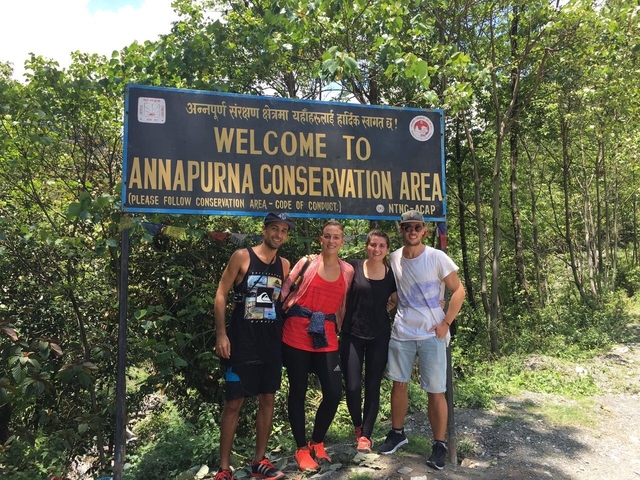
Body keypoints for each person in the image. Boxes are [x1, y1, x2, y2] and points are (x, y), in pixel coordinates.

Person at [378, 210, 465, 471]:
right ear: (401, 230)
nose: (412, 231)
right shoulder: (393, 258)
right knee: (399, 384)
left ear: (425, 230)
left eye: (417, 227)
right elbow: (398, 291)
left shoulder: (437, 257)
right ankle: (397, 433)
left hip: (431, 334)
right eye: (407, 227)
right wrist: (387, 304)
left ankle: (439, 445)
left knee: (435, 391)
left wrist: (446, 322)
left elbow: (458, 290)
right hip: (402, 332)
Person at [213, 212, 296, 480]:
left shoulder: (284, 265)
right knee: (234, 403)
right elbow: (221, 294)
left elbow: (281, 302)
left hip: (271, 344)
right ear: (264, 230)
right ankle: (224, 468)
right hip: (241, 342)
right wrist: (221, 334)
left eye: (283, 231)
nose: (279, 235)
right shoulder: (242, 256)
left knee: (268, 399)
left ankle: (259, 461)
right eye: (274, 229)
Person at [280, 220, 354, 472]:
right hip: (296, 332)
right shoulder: (307, 262)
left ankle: (317, 442)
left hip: (328, 334)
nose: (331, 241)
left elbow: (342, 304)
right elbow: (286, 287)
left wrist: (344, 332)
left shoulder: (348, 271)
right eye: (327, 237)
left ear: (342, 242)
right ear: (320, 239)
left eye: (336, 238)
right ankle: (301, 448)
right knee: (298, 392)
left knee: (334, 392)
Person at [340, 229, 397, 453]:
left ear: (387, 250)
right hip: (352, 333)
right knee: (353, 386)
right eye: (373, 244)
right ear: (367, 246)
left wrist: (391, 305)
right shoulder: (352, 267)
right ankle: (357, 426)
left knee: (373, 386)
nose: (377, 249)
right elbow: (338, 290)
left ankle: (366, 435)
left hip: (379, 335)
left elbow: (396, 298)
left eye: (382, 246)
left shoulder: (391, 273)